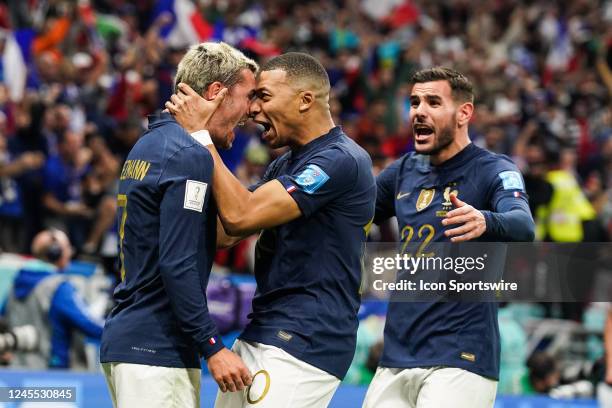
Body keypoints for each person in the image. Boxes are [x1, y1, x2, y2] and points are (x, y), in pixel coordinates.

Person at [166, 52, 376, 407]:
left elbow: (241, 217)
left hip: (305, 341)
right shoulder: (286, 163)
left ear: (305, 100)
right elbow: (225, 234)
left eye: (263, 96)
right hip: (264, 331)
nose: (252, 110)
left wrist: (201, 137)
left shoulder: (340, 160)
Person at [362, 67, 535, 408]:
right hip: (397, 355)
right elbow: (353, 214)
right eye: (414, 102)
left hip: (461, 358)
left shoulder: (494, 170)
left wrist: (485, 220)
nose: (419, 111)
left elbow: (523, 225)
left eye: (433, 102)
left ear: (463, 113)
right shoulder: (402, 171)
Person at [99, 42, 258, 408]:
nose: (250, 111)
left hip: (126, 341)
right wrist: (212, 346)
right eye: (247, 97)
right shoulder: (189, 154)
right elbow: (178, 262)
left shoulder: (148, 145)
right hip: (157, 350)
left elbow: (200, 237)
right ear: (217, 92)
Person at [2, 229, 103, 368]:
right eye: (68, 248)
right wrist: (119, 330)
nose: (70, 253)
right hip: (52, 375)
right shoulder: (59, 287)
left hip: (16, 373)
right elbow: (89, 325)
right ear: (56, 253)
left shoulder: (16, 283)